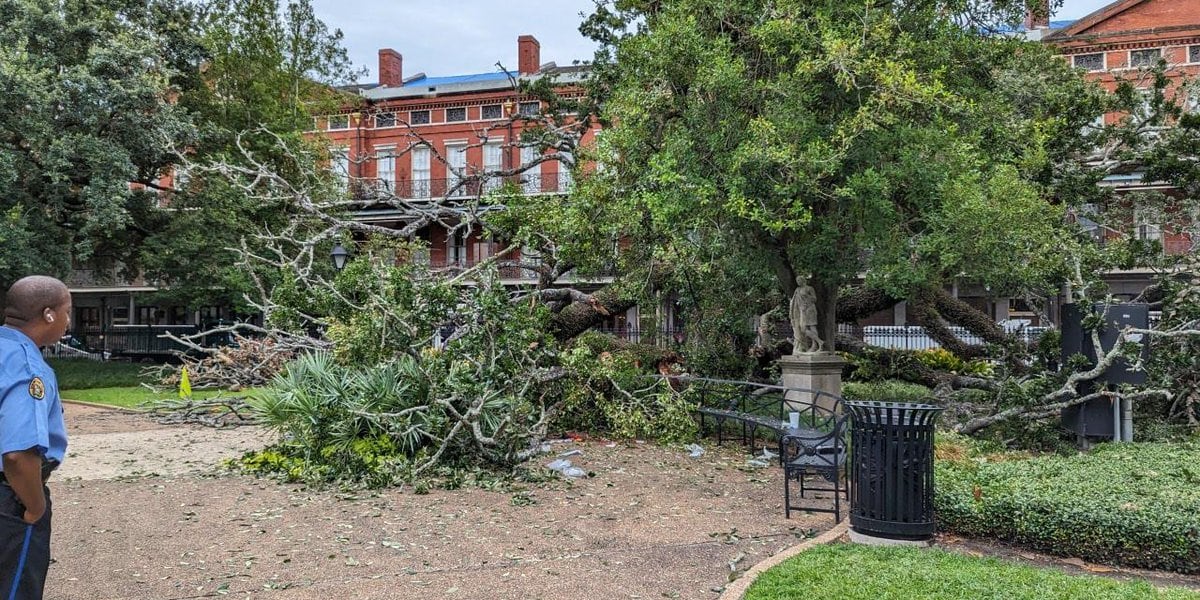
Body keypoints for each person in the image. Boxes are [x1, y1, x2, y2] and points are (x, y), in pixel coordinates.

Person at [0, 276, 71, 600]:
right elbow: (17, 454)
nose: (68, 320)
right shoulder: (28, 368)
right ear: (48, 315)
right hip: (9, 501)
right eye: (67, 311)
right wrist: (34, 506)